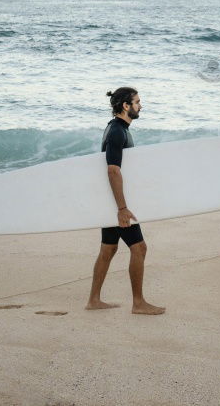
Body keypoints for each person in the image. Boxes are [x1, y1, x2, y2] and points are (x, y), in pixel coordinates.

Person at [85, 86, 165, 315]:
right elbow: (112, 170)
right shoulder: (117, 132)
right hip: (117, 203)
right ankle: (138, 303)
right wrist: (122, 208)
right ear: (125, 106)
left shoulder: (115, 128)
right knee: (139, 248)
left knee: (108, 250)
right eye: (137, 102)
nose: (141, 105)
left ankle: (93, 300)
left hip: (110, 201)